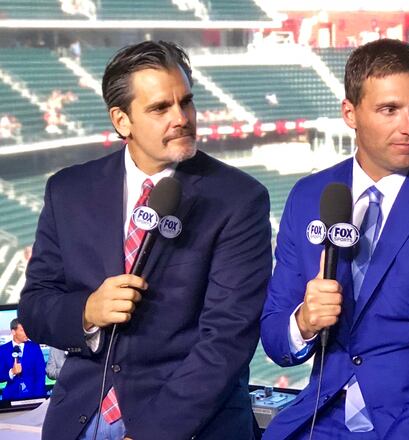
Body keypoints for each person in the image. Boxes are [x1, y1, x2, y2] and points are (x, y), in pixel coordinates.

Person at [19, 40, 271, 440]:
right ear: (122, 121)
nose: (182, 118)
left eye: (185, 102)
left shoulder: (238, 199)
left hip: (186, 425)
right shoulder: (68, 191)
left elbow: (226, 340)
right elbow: (35, 307)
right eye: (160, 108)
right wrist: (87, 310)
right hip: (80, 420)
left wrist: (153, 433)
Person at [261, 38, 409, 439]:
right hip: (325, 417)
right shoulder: (309, 196)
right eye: (389, 110)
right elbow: (275, 337)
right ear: (350, 113)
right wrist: (304, 322)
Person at [0, 319, 46, 400]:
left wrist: (38, 398)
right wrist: (12, 372)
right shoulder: (3, 350)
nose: (26, 333)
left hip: (33, 396)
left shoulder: (35, 347)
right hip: (10, 397)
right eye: (22, 330)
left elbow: (40, 374)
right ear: (13, 332)